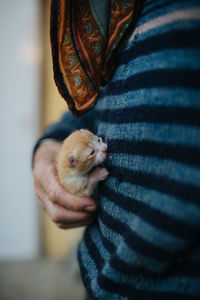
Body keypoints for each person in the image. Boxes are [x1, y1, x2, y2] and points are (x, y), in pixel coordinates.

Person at [33, 0, 200, 299]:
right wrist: (48, 145)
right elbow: (86, 105)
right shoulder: (105, 13)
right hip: (103, 270)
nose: (103, 146)